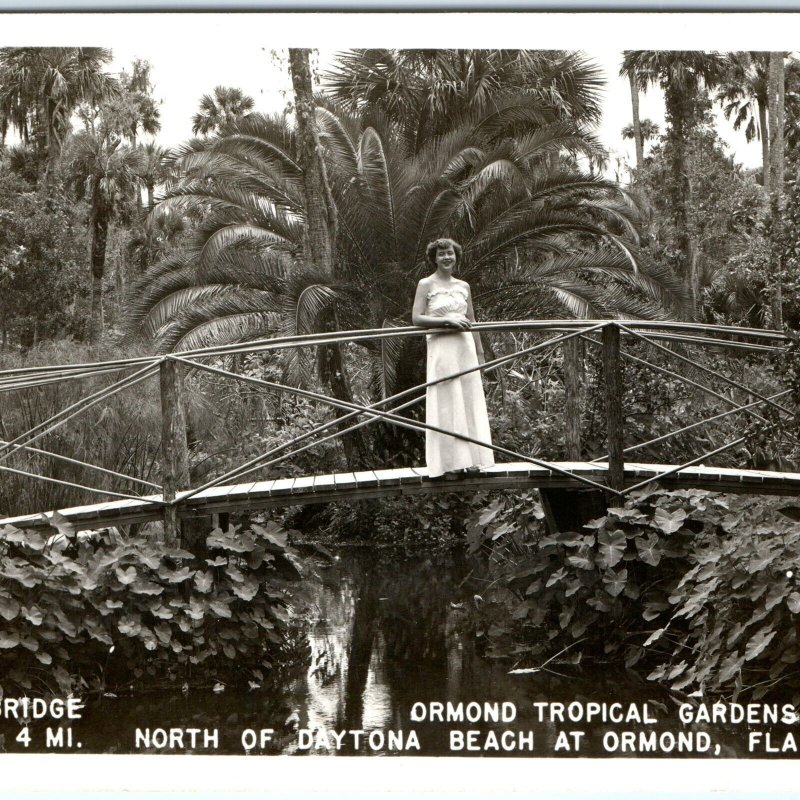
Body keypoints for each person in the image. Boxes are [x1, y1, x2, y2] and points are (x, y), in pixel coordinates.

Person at [411, 237, 495, 477]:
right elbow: (416, 318)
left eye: (450, 253)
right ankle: (448, 464)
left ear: (456, 256)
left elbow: (473, 320)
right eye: (441, 254)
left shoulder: (463, 286)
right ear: (434, 259)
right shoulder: (426, 284)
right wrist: (445, 320)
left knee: (468, 398)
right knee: (447, 401)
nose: (446, 257)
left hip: (465, 349)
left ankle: (472, 460)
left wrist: (480, 354)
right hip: (442, 347)